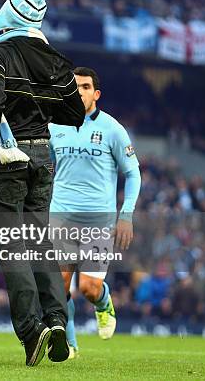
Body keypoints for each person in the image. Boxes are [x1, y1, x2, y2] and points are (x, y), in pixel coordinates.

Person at [0, 0, 85, 366]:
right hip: (43, 155)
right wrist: (40, 106)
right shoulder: (53, 57)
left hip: (9, 155)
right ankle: (58, 321)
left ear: (8, 13)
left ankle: (32, 330)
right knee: (38, 241)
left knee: (13, 244)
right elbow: (75, 114)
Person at [49, 67, 141, 358]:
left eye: (85, 87)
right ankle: (71, 343)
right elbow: (43, 163)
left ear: (96, 94)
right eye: (74, 87)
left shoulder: (112, 129)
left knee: (88, 288)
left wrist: (126, 214)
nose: (79, 92)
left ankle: (103, 303)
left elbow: (133, 173)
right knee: (59, 286)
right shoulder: (55, 126)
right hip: (60, 215)